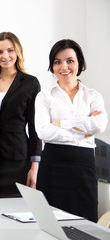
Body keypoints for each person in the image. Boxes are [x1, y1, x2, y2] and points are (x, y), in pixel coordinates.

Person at [35, 39, 108, 222]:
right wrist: (83, 129)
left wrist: (62, 124)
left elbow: (99, 125)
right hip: (53, 165)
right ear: (52, 66)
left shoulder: (92, 95)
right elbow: (43, 132)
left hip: (84, 166)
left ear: (79, 63)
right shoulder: (44, 96)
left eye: (70, 60)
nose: (64, 67)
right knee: (50, 224)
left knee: (86, 223)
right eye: (57, 62)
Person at [0, 32, 42, 198]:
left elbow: (35, 127)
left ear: (17, 52)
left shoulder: (30, 83)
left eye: (10, 50)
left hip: (18, 159)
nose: (5, 56)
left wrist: (34, 166)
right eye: (0, 52)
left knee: (17, 210)